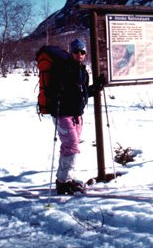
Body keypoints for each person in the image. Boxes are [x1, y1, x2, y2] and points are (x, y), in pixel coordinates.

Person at [53, 38, 104, 194]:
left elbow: (82, 93)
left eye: (82, 52)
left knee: (68, 148)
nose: (80, 54)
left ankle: (65, 179)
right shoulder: (64, 68)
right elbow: (61, 89)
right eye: (76, 51)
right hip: (63, 114)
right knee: (73, 147)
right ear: (71, 52)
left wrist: (96, 87)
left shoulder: (82, 70)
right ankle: (64, 182)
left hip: (77, 115)